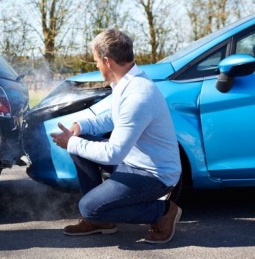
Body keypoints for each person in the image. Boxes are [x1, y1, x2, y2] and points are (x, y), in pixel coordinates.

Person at [50, 28, 182, 244]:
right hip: (133, 161)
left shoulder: (138, 95)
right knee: (81, 148)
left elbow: (113, 153)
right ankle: (102, 220)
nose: (97, 66)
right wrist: (80, 127)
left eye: (96, 62)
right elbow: (111, 118)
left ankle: (163, 211)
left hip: (154, 175)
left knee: (89, 207)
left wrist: (72, 143)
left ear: (107, 61)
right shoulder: (127, 83)